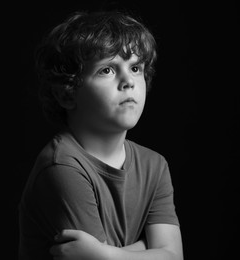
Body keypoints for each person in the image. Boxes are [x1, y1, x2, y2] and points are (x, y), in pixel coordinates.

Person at [18, 10, 183, 260]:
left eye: (136, 67)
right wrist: (147, 248)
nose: (128, 81)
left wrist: (106, 255)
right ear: (67, 94)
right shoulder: (62, 166)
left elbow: (174, 256)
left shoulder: (155, 165)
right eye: (107, 70)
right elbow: (165, 253)